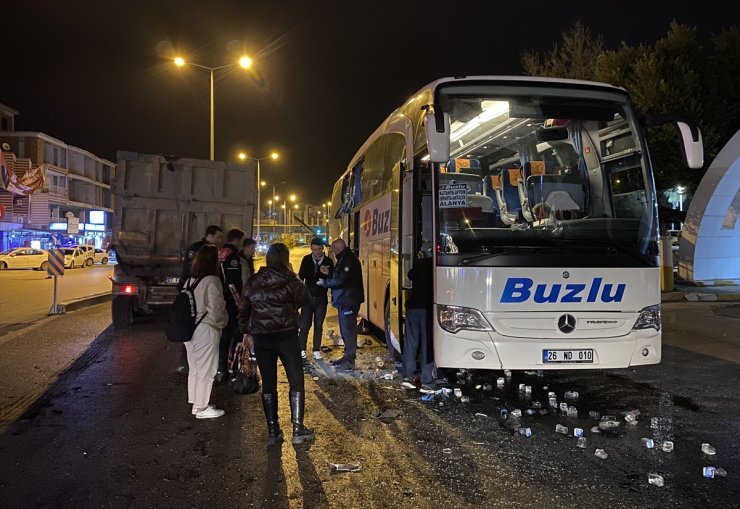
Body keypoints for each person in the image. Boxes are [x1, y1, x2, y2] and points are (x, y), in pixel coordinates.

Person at [239, 243, 313, 445]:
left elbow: (244, 310)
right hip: (287, 337)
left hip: (262, 339)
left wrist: (246, 331)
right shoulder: (290, 280)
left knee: (269, 385)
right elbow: (305, 298)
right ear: (285, 259)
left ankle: (273, 431)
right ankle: (298, 429)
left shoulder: (253, 282)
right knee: (296, 381)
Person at [185, 244, 228, 419]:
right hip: (206, 329)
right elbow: (216, 309)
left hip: (189, 329)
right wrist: (222, 323)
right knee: (207, 370)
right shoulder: (212, 280)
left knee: (194, 368)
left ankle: (196, 403)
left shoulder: (191, 280)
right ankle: (202, 408)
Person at [317, 238, 364, 371]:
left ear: (337, 248)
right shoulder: (345, 258)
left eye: (333, 249)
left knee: (348, 330)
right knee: (345, 329)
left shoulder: (348, 260)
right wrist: (330, 273)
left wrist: (325, 282)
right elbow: (340, 277)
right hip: (346, 299)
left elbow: (341, 280)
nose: (332, 251)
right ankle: (347, 357)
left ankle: (349, 360)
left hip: (348, 300)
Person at [401, 250, 436, 393]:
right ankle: (427, 381)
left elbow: (411, 275)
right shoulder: (437, 266)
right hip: (427, 309)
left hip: (413, 307)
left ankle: (408, 378)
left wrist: (419, 262)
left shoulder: (421, 265)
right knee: (427, 344)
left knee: (411, 343)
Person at [297, 237, 334, 362]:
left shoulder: (328, 261)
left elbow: (333, 278)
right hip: (307, 298)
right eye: (314, 250)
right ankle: (302, 349)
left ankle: (316, 350)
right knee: (304, 324)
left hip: (321, 298)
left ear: (323, 249)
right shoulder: (306, 260)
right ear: (311, 249)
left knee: (318, 324)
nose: (317, 252)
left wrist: (327, 275)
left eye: (319, 249)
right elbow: (300, 277)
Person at [217, 227, 245, 380]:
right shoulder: (232, 255)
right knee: (234, 334)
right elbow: (233, 281)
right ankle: (231, 367)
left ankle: (222, 368)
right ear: (237, 240)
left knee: (224, 336)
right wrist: (240, 301)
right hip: (231, 300)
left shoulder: (221, 252)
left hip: (222, 298)